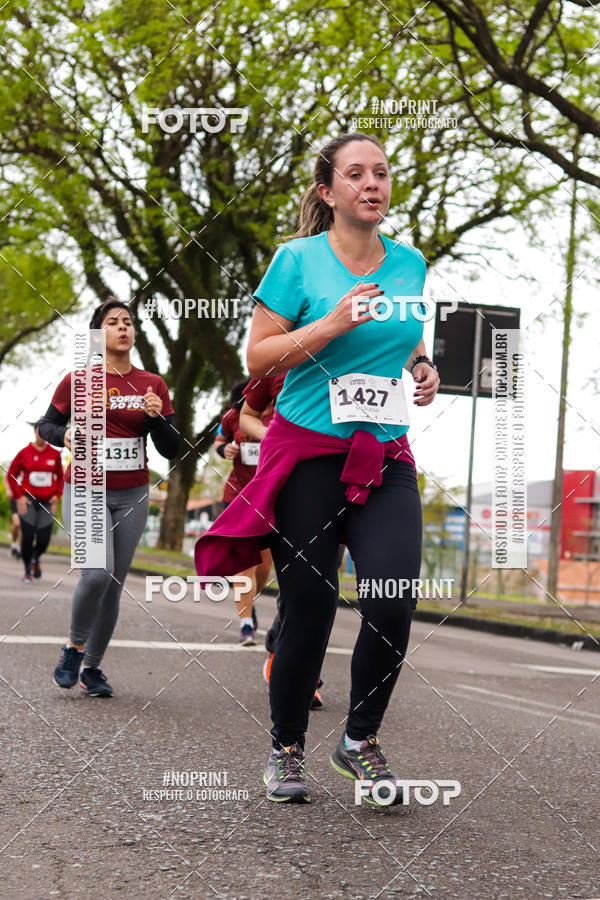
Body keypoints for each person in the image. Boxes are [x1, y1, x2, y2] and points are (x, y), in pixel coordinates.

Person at [195, 132, 439, 805]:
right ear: (329, 193)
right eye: (356, 175)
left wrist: (421, 367)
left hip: (385, 453)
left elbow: (406, 332)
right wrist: (329, 325)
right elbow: (259, 358)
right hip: (308, 454)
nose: (373, 184)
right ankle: (286, 746)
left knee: (393, 597)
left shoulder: (411, 264)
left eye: (382, 173)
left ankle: (359, 741)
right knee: (310, 605)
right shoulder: (297, 261)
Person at [39, 298, 179, 697]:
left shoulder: (152, 384)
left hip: (133, 492)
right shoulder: (78, 381)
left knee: (114, 583)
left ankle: (92, 670)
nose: (123, 327)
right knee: (97, 572)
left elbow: (171, 450)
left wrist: (156, 420)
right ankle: (73, 647)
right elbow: (45, 425)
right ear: (98, 334)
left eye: (128, 322)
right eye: (113, 322)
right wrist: (64, 435)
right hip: (85, 485)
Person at [239, 373, 329, 709]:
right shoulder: (278, 362)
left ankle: (289, 654)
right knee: (302, 586)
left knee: (324, 591)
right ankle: (293, 667)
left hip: (341, 483)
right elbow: (244, 416)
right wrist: (274, 436)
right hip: (283, 488)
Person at [214, 379, 271, 644]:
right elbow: (219, 442)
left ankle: (250, 600)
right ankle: (246, 623)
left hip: (271, 498)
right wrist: (226, 449)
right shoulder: (232, 417)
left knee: (262, 567)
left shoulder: (284, 412)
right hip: (237, 495)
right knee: (244, 563)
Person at [7, 421, 63, 581]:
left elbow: (61, 478)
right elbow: (11, 475)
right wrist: (19, 497)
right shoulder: (25, 453)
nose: (43, 436)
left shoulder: (55, 454)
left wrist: (56, 496)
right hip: (29, 502)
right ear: (35, 432)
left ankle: (35, 557)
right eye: (40, 432)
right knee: (28, 537)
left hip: (47, 502)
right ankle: (27, 571)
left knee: (44, 539)